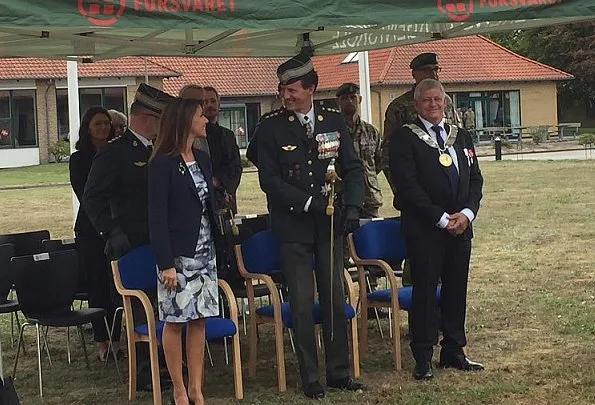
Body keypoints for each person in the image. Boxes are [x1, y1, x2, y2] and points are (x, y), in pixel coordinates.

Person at [255, 52, 365, 399]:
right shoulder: (271, 126)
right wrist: (306, 202)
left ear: (311, 88)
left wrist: (354, 206)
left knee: (334, 298)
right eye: (283, 89)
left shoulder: (333, 120)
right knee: (302, 304)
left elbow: (353, 167)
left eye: (292, 89)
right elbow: (269, 180)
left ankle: (338, 371)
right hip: (294, 227)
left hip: (329, 227)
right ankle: (311, 377)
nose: (286, 95)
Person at [388, 79, 484, 381]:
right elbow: (407, 187)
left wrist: (466, 215)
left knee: (456, 289)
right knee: (426, 292)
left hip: (460, 228)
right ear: (416, 105)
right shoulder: (405, 138)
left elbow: (475, 180)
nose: (433, 105)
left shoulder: (461, 136)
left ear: (445, 102)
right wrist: (442, 218)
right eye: (426, 100)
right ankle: (424, 355)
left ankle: (454, 349)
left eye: (437, 100)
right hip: (425, 229)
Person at [83, 83, 176, 392]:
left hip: (159, 242)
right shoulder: (115, 152)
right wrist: (110, 230)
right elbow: (92, 198)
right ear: (149, 117)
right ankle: (147, 369)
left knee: (164, 307)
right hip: (131, 243)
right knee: (141, 310)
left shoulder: (155, 150)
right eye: (161, 120)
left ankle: (167, 363)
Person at [149, 98, 217, 405]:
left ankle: (196, 387)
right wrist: (166, 264)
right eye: (201, 115)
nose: (206, 120)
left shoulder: (202, 157)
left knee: (199, 319)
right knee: (175, 320)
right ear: (186, 120)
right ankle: (177, 388)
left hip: (205, 251)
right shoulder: (162, 163)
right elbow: (157, 216)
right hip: (177, 256)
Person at [69, 106, 123, 361]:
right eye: (98, 124)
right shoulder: (79, 159)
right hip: (91, 230)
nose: (103, 128)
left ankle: (117, 339)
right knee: (97, 285)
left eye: (106, 124)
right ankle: (101, 341)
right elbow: (86, 194)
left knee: (118, 286)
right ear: (87, 128)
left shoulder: (116, 153)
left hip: (118, 227)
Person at [335, 82, 382, 218]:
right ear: (337, 101)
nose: (349, 101)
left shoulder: (371, 131)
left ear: (359, 99)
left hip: (370, 199)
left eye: (353, 97)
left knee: (371, 237)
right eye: (345, 98)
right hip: (343, 198)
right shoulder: (332, 132)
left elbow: (379, 161)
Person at [202, 86, 243, 214]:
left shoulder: (228, 135)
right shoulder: (193, 137)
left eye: (213, 101)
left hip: (226, 199)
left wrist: (226, 188)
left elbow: (236, 167)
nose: (209, 105)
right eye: (205, 102)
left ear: (219, 103)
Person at [179, 84, 209, 154]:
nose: (199, 106)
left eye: (202, 102)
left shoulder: (208, 131)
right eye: (191, 103)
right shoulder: (170, 136)